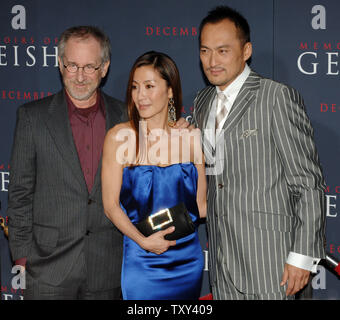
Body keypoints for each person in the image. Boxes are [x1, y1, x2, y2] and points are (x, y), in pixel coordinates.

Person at [191, 6, 326, 300]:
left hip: (273, 262)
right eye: (205, 51)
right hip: (223, 262)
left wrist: (302, 256)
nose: (212, 61)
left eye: (223, 51)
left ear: (246, 50)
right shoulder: (202, 102)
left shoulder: (276, 97)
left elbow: (308, 184)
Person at [7, 26, 127, 300]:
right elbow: (19, 194)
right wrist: (23, 259)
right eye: (72, 65)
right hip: (48, 269)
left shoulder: (125, 116)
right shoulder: (32, 117)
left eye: (89, 67)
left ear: (105, 68)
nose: (81, 76)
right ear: (60, 64)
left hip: (108, 268)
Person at [101, 51, 206, 300]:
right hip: (141, 258)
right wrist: (144, 241)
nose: (140, 95)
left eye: (149, 86)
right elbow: (110, 206)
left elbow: (201, 206)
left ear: (170, 91)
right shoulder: (119, 137)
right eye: (135, 87)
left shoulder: (191, 139)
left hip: (187, 261)